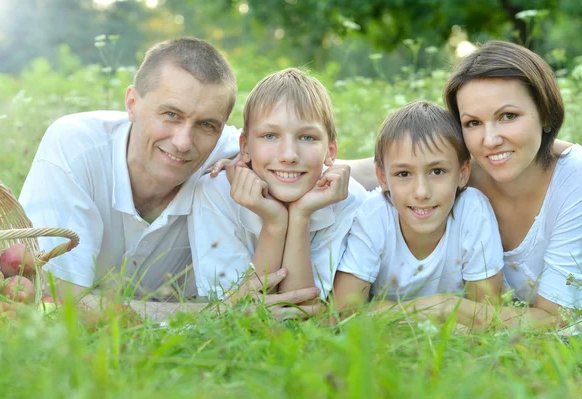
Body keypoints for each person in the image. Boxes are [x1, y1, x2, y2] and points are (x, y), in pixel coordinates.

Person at [19, 37, 325, 321]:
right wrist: (214, 313)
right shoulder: (76, 146)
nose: (182, 141)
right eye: (171, 115)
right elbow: (60, 301)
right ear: (132, 103)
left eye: (206, 124)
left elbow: (327, 165)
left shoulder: (237, 151)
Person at [349, 41, 582, 330]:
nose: (490, 139)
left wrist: (444, 307)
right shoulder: (460, 170)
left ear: (545, 113)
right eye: (473, 123)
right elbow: (377, 170)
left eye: (508, 116)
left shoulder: (574, 179)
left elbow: (555, 319)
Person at [189, 68, 367, 302]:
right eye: (270, 136)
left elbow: (303, 310)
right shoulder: (215, 192)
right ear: (245, 147)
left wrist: (300, 215)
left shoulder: (348, 200)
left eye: (307, 138)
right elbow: (232, 310)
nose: (289, 155)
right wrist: (275, 223)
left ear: (330, 151)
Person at [331, 101, 504, 315]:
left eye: (437, 171)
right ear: (383, 178)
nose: (421, 192)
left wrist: (384, 312)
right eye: (403, 174)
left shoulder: (472, 210)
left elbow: (487, 313)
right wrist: (434, 309)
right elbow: (344, 310)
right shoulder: (374, 215)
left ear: (463, 173)